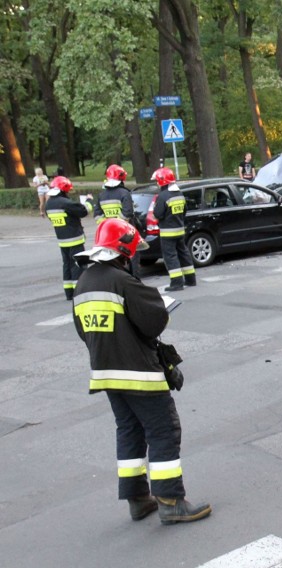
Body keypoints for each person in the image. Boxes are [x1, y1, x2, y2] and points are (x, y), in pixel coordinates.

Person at [72, 218, 211, 525]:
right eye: (132, 253)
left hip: (107, 374)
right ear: (123, 251)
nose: (133, 258)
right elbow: (152, 322)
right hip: (140, 374)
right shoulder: (121, 281)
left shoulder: (84, 283)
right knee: (163, 430)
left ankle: (137, 499)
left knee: (130, 431)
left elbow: (84, 332)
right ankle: (171, 500)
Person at [45, 176, 92, 300]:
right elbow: (83, 211)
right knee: (78, 264)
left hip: (62, 241)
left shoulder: (49, 204)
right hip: (75, 239)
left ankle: (69, 293)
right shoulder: (65, 203)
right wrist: (89, 201)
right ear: (64, 189)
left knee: (67, 265)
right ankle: (79, 292)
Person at [152, 167, 196, 291]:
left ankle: (177, 283)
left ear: (161, 180)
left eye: (157, 180)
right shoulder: (179, 194)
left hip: (167, 233)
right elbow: (185, 211)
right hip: (180, 231)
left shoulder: (163, 196)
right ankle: (190, 279)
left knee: (170, 256)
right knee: (184, 253)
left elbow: (158, 214)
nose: (156, 182)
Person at [94, 165, 140, 277]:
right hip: (125, 232)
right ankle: (134, 280)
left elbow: (97, 215)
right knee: (132, 255)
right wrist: (118, 223)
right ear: (122, 178)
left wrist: (108, 224)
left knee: (115, 257)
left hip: (109, 234)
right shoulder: (124, 193)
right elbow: (127, 213)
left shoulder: (102, 195)